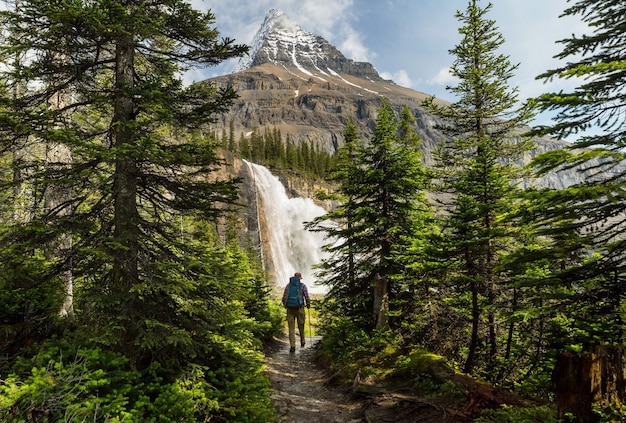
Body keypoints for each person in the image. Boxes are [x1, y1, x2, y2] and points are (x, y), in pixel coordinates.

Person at [282, 272, 310, 353]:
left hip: (290, 309)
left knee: (291, 328)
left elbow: (284, 297)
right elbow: (307, 297)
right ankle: (302, 341)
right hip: (300, 308)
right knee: (301, 325)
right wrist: (308, 305)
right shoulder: (302, 286)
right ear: (300, 278)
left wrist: (285, 305)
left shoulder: (288, 286)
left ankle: (292, 346)